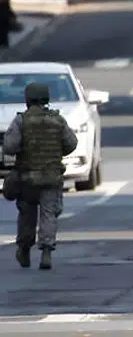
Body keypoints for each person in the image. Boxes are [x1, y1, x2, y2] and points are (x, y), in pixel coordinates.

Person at [3, 82, 77, 269]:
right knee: (48, 215)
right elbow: (71, 144)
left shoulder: (21, 121)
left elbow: (10, 147)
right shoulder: (58, 120)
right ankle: (46, 252)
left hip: (27, 177)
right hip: (51, 177)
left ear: (27, 99)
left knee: (27, 215)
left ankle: (24, 249)